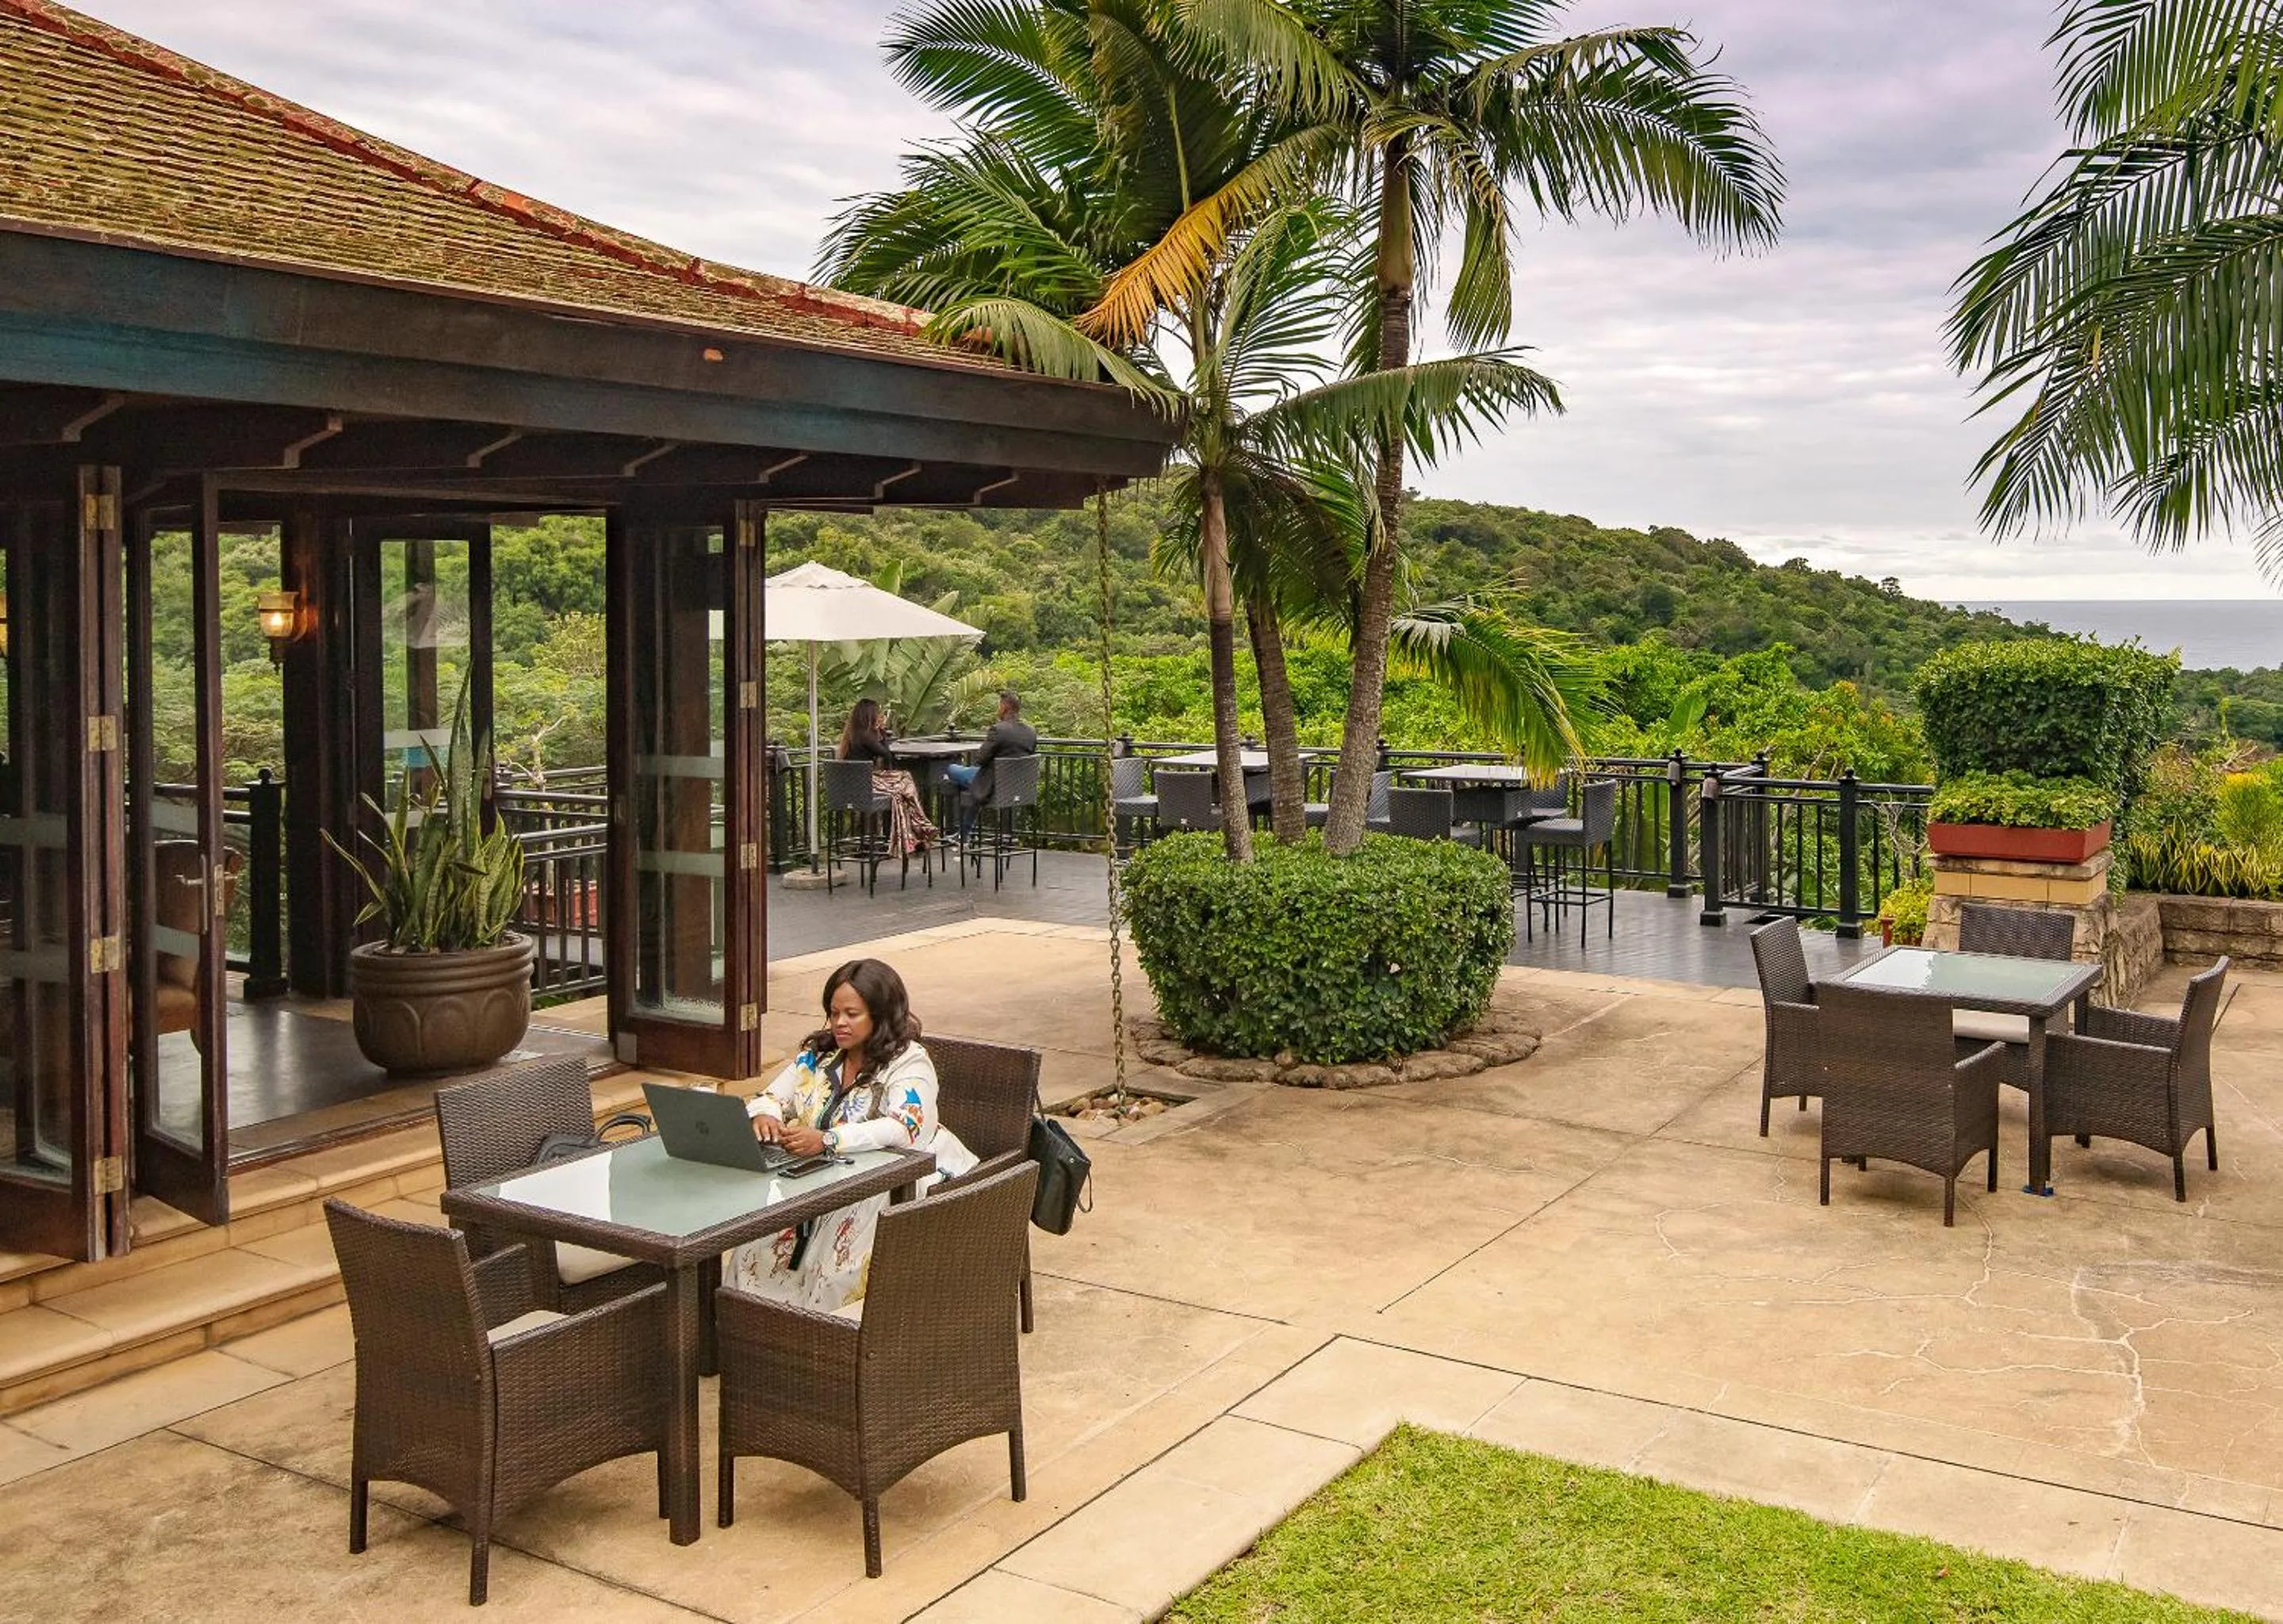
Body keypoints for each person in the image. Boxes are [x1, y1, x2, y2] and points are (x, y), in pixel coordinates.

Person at [724, 959, 975, 1312]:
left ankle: (823, 1338)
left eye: (852, 1014)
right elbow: (772, 1096)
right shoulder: (819, 1057)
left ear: (881, 1014)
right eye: (834, 1012)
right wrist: (766, 1114)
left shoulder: (909, 1063)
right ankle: (755, 1333)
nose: (839, 1023)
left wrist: (827, 1140)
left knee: (830, 1265)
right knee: (755, 1247)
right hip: (824, 1179)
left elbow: (904, 1128)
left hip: (894, 1182)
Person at [840, 698, 936, 855]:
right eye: (877, 713)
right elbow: (887, 754)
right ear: (870, 716)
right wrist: (883, 732)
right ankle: (919, 828)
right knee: (905, 782)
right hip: (865, 783)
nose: (880, 716)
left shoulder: (853, 734)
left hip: (854, 783)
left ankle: (914, 834)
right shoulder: (866, 735)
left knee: (902, 791)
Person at [943, 690, 1040, 815]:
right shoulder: (1031, 732)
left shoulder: (998, 730)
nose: (998, 709)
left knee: (951, 769)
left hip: (992, 785)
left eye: (999, 706)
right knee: (966, 779)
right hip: (1018, 787)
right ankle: (964, 831)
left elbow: (980, 759)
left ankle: (961, 830)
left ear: (1004, 707)